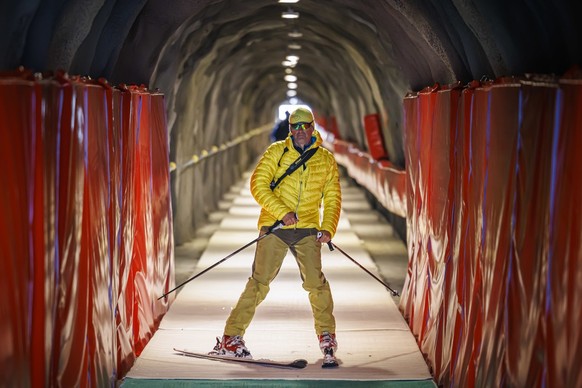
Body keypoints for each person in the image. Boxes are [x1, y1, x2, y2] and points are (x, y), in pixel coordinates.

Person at [210, 107, 342, 367]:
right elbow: (258, 184)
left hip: (307, 229)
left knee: (316, 284)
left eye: (306, 126)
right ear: (290, 128)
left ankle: (326, 335)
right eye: (296, 126)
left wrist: (328, 229)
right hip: (276, 228)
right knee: (259, 282)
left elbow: (333, 195)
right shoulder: (276, 152)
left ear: (313, 127)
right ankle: (231, 337)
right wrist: (282, 213)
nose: (301, 131)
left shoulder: (325, 159)